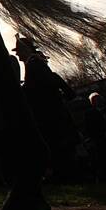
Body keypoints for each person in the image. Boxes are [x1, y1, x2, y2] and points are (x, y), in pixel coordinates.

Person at [14, 36, 82, 182]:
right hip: (51, 113)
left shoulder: (34, 64)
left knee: (55, 146)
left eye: (19, 51)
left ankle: (65, 176)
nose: (17, 54)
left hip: (48, 114)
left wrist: (21, 90)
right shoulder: (35, 62)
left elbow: (43, 84)